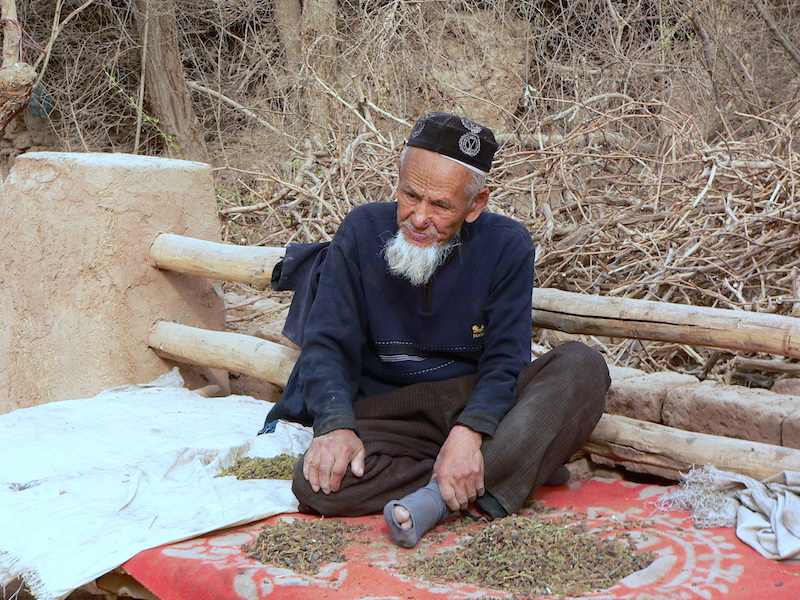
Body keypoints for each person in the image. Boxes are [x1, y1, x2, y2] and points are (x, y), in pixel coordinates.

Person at [261, 111, 610, 548]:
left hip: (472, 403)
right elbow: (327, 342)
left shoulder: (507, 245)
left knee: (583, 365)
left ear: (476, 204)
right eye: (410, 195)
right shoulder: (360, 231)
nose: (419, 217)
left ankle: (440, 493)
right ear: (399, 180)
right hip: (390, 412)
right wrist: (334, 427)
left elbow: (506, 359)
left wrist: (469, 434)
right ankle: (507, 465)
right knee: (315, 486)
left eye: (441, 205)